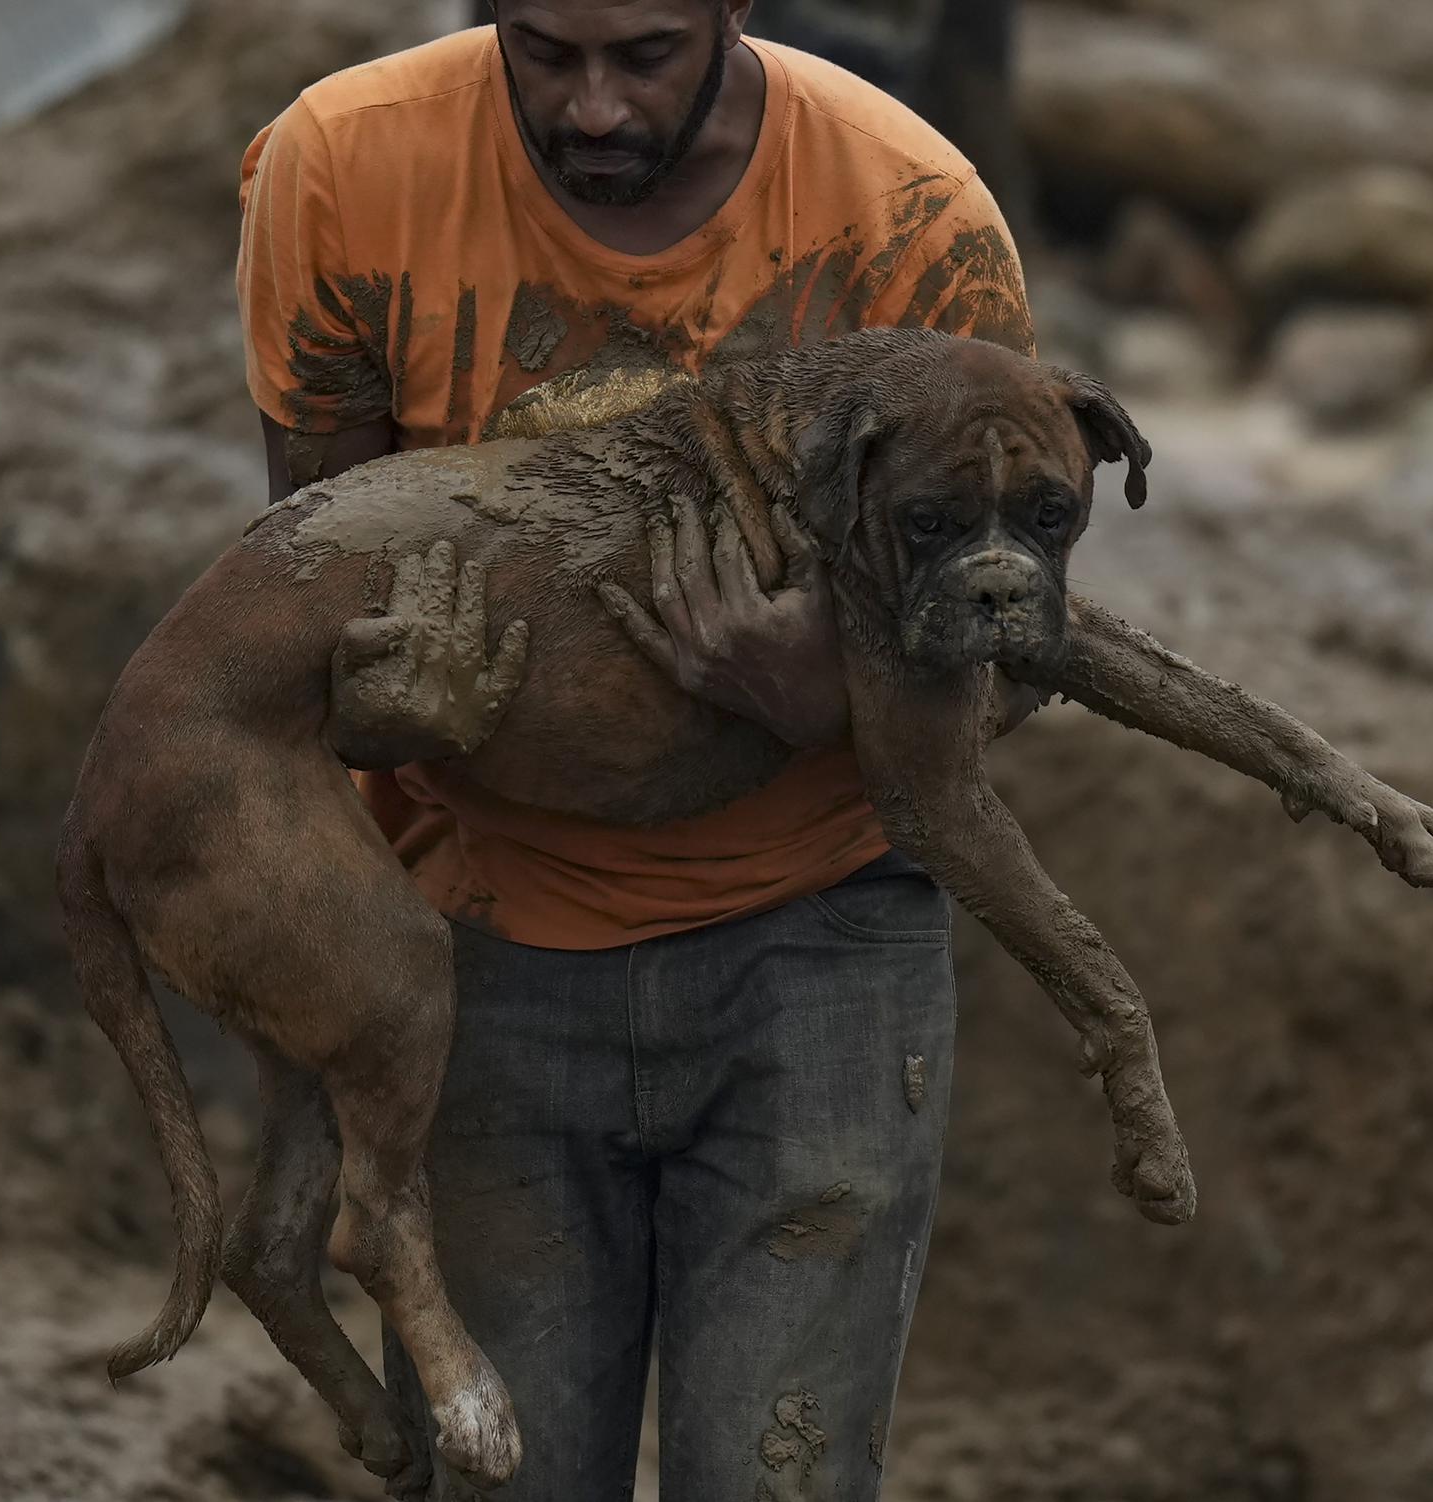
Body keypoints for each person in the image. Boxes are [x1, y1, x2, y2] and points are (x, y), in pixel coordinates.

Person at [235, 2, 1033, 1495]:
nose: (593, 109)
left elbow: (1013, 651)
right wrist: (399, 702)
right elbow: (313, 573)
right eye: (545, 52)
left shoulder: (908, 216)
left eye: (646, 55)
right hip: (473, 938)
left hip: (820, 947)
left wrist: (832, 692)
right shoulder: (345, 167)